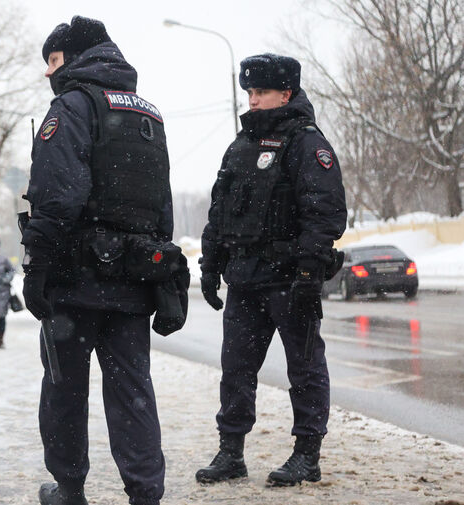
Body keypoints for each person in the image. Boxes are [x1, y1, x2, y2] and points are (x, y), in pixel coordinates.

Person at [21, 16, 186, 505]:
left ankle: (70, 490)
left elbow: (57, 197)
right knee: (133, 397)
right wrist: (164, 279)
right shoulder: (148, 115)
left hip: (76, 281)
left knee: (64, 393)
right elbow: (162, 205)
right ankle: (145, 495)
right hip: (134, 281)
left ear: (72, 58)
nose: (48, 73)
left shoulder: (71, 107)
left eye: (52, 62)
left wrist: (38, 269)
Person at [195, 54, 347, 487]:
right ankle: (231, 453)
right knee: (236, 371)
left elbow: (326, 214)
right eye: (250, 92)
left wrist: (307, 272)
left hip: (288, 278)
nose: (253, 100)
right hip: (244, 279)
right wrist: (210, 266)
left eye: (260, 92)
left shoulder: (306, 143)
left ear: (285, 93)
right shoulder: (240, 146)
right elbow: (219, 212)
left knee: (304, 369)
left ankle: (306, 455)